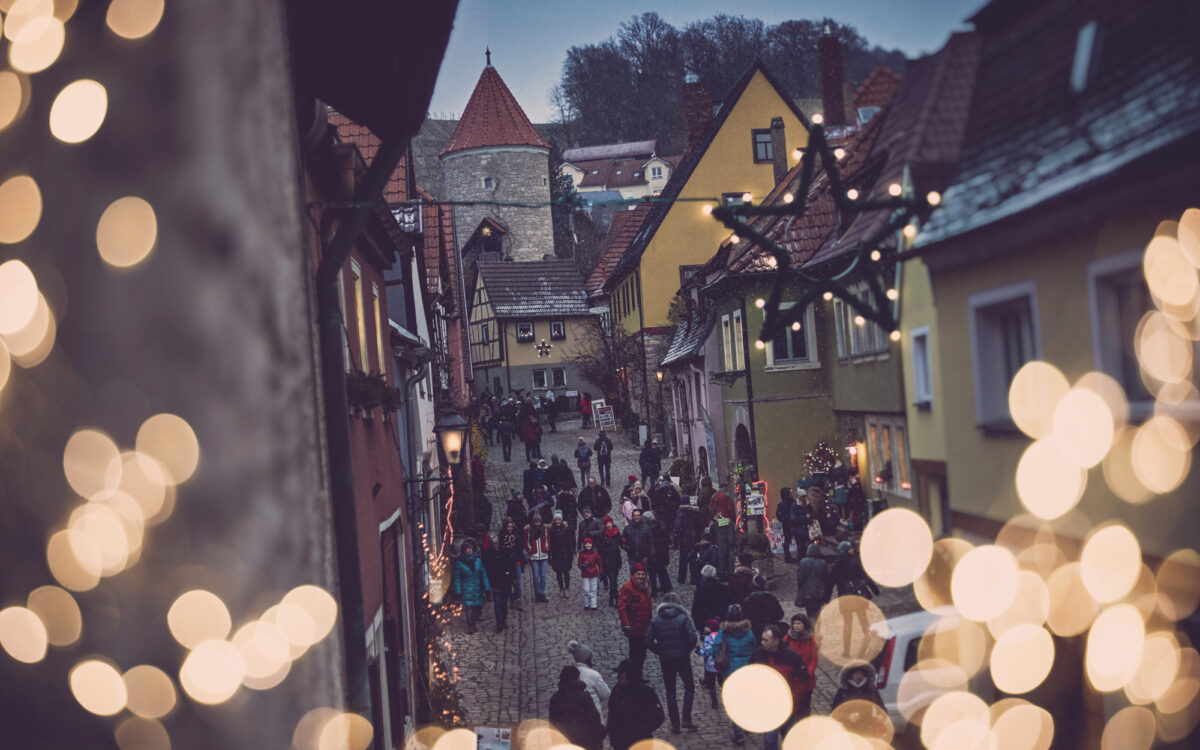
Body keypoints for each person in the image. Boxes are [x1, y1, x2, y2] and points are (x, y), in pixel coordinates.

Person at [643, 592, 698, 734]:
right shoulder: (683, 618)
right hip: (682, 658)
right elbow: (692, 638)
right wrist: (686, 649)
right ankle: (686, 718)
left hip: (666, 659)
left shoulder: (656, 620)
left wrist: (659, 650)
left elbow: (647, 641)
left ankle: (675, 724)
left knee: (670, 691)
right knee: (689, 686)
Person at [750, 624, 810, 750]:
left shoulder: (792, 657)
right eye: (762, 639)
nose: (762, 642)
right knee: (769, 742)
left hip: (788, 707)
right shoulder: (758, 655)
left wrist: (793, 697)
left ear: (776, 641)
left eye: (766, 640)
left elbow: (803, 680)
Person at [710, 603, 757, 746]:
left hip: (730, 672)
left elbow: (714, 652)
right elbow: (755, 649)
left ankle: (738, 735)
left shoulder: (723, 633)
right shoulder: (749, 632)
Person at [830, 540, 879, 655]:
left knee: (847, 624)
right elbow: (864, 577)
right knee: (863, 621)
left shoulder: (836, 565)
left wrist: (826, 596)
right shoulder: (854, 562)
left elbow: (831, 581)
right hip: (857, 596)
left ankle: (846, 650)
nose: (853, 550)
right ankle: (869, 646)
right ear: (846, 550)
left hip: (844, 598)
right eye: (851, 548)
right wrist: (874, 590)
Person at [607, 658, 665, 750]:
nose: (620, 677)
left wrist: (642, 730)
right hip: (621, 742)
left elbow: (658, 716)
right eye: (620, 674)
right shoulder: (617, 691)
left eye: (623, 674)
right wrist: (614, 737)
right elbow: (612, 716)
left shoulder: (645, 692)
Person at [548, 665, 604, 750]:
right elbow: (594, 718)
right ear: (577, 678)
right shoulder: (584, 696)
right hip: (586, 740)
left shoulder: (555, 698)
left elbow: (552, 723)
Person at [617, 565, 653, 676]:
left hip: (644, 627)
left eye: (643, 574)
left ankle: (638, 674)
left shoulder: (646, 586)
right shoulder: (628, 587)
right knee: (635, 653)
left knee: (642, 653)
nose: (641, 576)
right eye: (638, 574)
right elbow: (622, 607)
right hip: (634, 627)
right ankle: (634, 676)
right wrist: (626, 624)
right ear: (633, 575)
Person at [783, 613, 819, 719]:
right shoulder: (787, 639)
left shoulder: (811, 640)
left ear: (804, 625)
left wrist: (807, 673)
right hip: (792, 679)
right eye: (795, 623)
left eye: (799, 623)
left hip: (807, 680)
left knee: (805, 707)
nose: (796, 626)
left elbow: (814, 659)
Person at [452, 539, 491, 634]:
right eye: (467, 549)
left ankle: (473, 624)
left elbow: (483, 574)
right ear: (463, 550)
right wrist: (458, 591)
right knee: (469, 608)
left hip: (477, 588)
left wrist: (487, 588)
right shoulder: (460, 563)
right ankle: (470, 626)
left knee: (475, 608)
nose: (469, 550)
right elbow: (457, 578)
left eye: (470, 549)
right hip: (466, 589)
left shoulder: (477, 561)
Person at [480, 529, 515, 632]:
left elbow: (511, 564)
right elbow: (486, 568)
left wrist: (512, 578)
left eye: (496, 543)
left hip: (505, 580)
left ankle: (503, 621)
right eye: (493, 544)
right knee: (497, 604)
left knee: (504, 603)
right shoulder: (487, 554)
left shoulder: (505, 551)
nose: (494, 545)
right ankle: (499, 623)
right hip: (495, 582)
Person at [567, 640, 611, 717]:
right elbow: (605, 694)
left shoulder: (569, 674)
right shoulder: (593, 675)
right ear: (586, 659)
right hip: (594, 714)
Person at [671, 496, 704, 585]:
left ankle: (682, 578)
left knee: (683, 560)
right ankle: (694, 579)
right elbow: (701, 526)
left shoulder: (681, 512)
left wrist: (674, 537)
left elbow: (677, 526)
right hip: (695, 539)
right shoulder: (696, 512)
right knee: (693, 560)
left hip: (684, 540)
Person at [621, 509, 655, 593]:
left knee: (643, 576)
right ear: (632, 517)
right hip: (632, 557)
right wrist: (628, 548)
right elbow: (622, 542)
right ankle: (633, 593)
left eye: (638, 515)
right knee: (633, 576)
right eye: (635, 515)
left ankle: (643, 593)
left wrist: (650, 553)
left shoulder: (646, 528)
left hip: (644, 556)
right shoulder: (627, 529)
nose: (636, 517)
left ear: (640, 517)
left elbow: (651, 542)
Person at [742, 574, 784, 641]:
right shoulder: (771, 598)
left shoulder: (747, 600)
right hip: (770, 629)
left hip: (754, 631)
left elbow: (745, 617)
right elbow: (780, 614)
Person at [691, 564, 732, 631]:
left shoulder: (700, 591)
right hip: (721, 623)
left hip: (707, 625)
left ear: (703, 576)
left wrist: (701, 627)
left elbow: (696, 610)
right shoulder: (724, 588)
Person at [795, 543, 829, 620]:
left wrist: (800, 588)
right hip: (819, 592)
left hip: (807, 592)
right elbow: (826, 578)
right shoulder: (822, 563)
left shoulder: (803, 562)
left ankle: (811, 627)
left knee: (809, 612)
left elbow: (800, 578)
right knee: (817, 611)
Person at [643, 510, 673, 596]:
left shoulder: (651, 528)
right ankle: (666, 586)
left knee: (656, 571)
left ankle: (662, 588)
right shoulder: (660, 524)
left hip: (656, 553)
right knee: (661, 570)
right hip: (661, 552)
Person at [709, 486, 736, 576]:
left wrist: (717, 517)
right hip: (728, 522)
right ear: (725, 488)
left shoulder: (714, 496)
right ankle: (730, 571)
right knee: (730, 547)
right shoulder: (728, 495)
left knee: (721, 548)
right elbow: (731, 509)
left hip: (718, 522)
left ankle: (721, 571)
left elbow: (711, 509)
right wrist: (732, 519)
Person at [498, 517, 524, 609]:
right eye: (508, 527)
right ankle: (511, 597)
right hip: (506, 561)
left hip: (516, 560)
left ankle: (518, 599)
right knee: (508, 580)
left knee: (516, 580)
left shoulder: (517, 535)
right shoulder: (501, 535)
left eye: (511, 527)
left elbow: (520, 547)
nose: (510, 528)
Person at [696, 618, 722, 709]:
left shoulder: (708, 637)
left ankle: (714, 702)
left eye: (706, 627)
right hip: (720, 664)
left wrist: (699, 651)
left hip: (711, 666)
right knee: (721, 681)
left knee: (711, 685)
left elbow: (707, 651)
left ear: (710, 628)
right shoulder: (720, 635)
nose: (704, 628)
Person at [525, 514, 551, 603]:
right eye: (536, 522)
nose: (538, 524)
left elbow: (548, 540)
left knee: (543, 576)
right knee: (536, 576)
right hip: (534, 557)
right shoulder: (529, 530)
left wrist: (546, 548)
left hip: (543, 556)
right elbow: (526, 542)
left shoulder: (544, 530)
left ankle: (542, 593)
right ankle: (537, 594)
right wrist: (530, 550)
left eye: (539, 522)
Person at [598, 516, 623, 606]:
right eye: (607, 523)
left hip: (616, 560)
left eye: (610, 523)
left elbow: (621, 543)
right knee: (612, 581)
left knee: (614, 581)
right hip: (607, 561)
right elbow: (599, 549)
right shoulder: (602, 534)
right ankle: (616, 598)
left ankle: (611, 598)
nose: (609, 525)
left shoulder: (616, 533)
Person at [549, 512, 575, 598]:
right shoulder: (551, 530)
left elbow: (570, 542)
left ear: (561, 520)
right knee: (559, 573)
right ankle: (561, 588)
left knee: (566, 572)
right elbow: (550, 544)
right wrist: (550, 555)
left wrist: (571, 553)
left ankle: (567, 588)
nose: (558, 521)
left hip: (565, 554)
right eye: (556, 520)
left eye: (559, 519)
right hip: (556, 555)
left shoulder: (566, 529)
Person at [577, 537, 603, 610]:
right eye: (586, 544)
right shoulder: (582, 554)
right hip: (585, 574)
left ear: (592, 544)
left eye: (589, 544)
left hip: (594, 574)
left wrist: (600, 571)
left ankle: (593, 604)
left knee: (593, 589)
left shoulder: (595, 553)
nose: (588, 545)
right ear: (584, 545)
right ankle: (586, 603)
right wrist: (582, 566)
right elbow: (579, 564)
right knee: (586, 589)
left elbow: (599, 562)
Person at [776, 487, 797, 563]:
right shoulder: (783, 504)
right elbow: (779, 515)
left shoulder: (792, 502)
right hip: (788, 525)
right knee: (788, 540)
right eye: (790, 493)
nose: (791, 494)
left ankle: (789, 556)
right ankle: (787, 556)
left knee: (790, 540)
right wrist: (786, 520)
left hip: (792, 524)